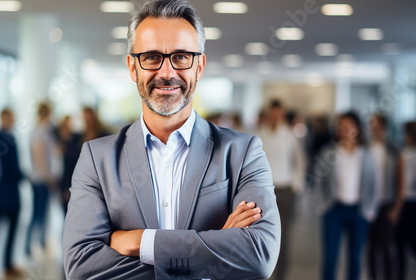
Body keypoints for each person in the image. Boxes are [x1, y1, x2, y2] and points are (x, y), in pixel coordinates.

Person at [63, 0, 280, 279]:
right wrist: (214, 245)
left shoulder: (243, 152)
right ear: (133, 67)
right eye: (152, 57)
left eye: (181, 56)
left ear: (199, 66)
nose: (167, 73)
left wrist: (142, 242)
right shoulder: (97, 158)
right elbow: (82, 267)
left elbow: (258, 255)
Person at [316, 111, 379, 280]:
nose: (344, 130)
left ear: (357, 129)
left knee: (355, 258)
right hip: (334, 209)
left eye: (348, 126)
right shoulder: (329, 152)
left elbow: (373, 183)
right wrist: (322, 204)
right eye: (341, 127)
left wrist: (370, 210)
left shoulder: (365, 155)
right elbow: (319, 179)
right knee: (330, 258)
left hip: (358, 210)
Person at [257, 100, 306, 280]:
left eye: (279, 114)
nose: (276, 117)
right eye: (273, 113)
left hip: (284, 189)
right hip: (263, 191)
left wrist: (295, 185)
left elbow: (299, 161)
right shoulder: (259, 133)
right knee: (261, 233)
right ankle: (263, 270)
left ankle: (281, 274)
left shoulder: (290, 135)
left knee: (283, 234)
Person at [366, 113, 404, 280]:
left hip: (386, 203)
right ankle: (373, 276)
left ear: (384, 128)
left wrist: (397, 207)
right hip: (369, 204)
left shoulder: (394, 150)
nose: (374, 129)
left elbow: (400, 180)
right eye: (372, 125)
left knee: (387, 245)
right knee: (371, 246)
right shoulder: (365, 149)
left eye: (377, 125)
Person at [0, 108, 25, 278]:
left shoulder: (0, 137)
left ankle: (6, 264)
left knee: (9, 233)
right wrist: (23, 176)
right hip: (2, 195)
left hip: (4, 194)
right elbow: (11, 168)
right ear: (2, 118)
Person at [25, 101, 59, 257]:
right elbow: (39, 158)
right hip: (41, 180)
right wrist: (48, 177)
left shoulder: (44, 130)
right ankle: (29, 244)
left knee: (43, 213)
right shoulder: (39, 131)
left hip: (43, 179)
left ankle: (41, 241)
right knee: (37, 214)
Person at [395, 121, 416, 280]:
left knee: (401, 243)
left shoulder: (405, 155)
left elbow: (401, 183)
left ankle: (401, 275)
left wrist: (397, 206)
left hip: (407, 202)